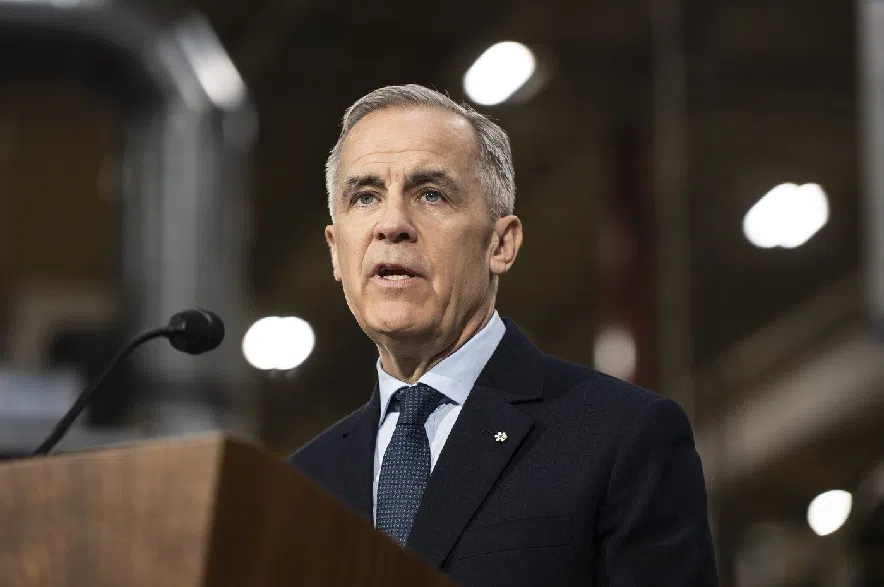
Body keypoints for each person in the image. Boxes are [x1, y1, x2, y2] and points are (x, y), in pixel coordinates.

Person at [289, 84, 718, 586]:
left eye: (431, 194)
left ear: (501, 243)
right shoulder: (298, 486)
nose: (393, 224)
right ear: (336, 251)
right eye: (365, 197)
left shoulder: (623, 437)